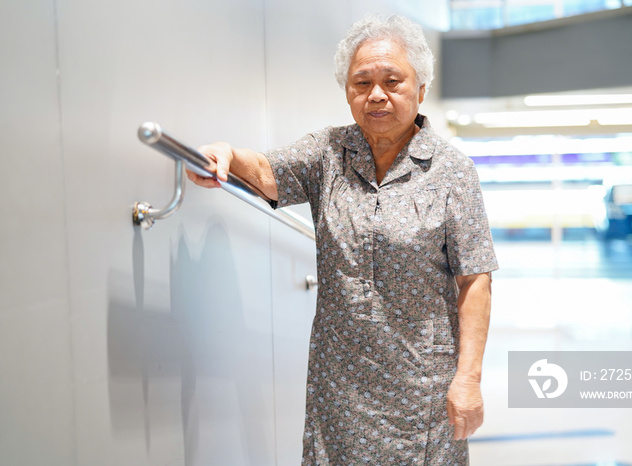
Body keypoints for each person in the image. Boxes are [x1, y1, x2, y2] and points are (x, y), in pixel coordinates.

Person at [188, 14, 498, 465]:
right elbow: (266, 171)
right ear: (348, 91)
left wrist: (467, 378)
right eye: (361, 82)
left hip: (423, 383)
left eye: (392, 81)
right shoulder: (328, 153)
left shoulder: (452, 171)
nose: (376, 94)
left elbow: (475, 279)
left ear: (421, 88)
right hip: (342, 383)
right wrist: (228, 155)